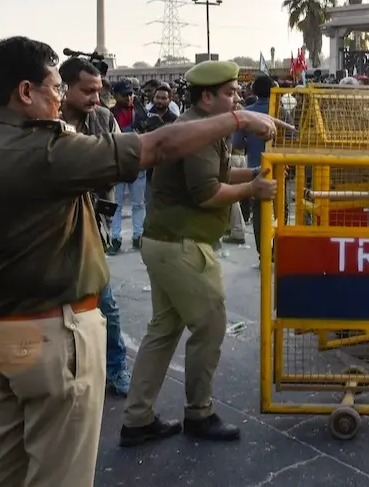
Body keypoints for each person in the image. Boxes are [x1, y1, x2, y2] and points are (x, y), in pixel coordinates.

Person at [0, 37, 286, 487]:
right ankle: (187, 410)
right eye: (56, 88)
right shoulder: (44, 151)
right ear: (25, 92)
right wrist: (238, 119)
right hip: (51, 336)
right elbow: (154, 147)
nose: (60, 99)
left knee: (8, 463)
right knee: (61, 472)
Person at [119, 60, 277, 448]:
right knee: (209, 326)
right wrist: (253, 191)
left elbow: (220, 176)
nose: (237, 99)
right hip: (182, 246)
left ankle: (138, 419)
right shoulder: (200, 134)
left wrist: (254, 175)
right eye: (230, 93)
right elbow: (208, 193)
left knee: (164, 330)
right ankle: (199, 413)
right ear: (207, 97)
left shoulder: (201, 128)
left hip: (166, 242)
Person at [59, 56, 133, 397]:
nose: (95, 98)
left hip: (93, 229)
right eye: (87, 91)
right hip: (54, 235)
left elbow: (121, 161)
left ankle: (116, 371)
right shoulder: (46, 121)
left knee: (107, 307)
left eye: (98, 90)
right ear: (65, 88)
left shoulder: (104, 119)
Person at [233, 75, 274, 259]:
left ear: (253, 91)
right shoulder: (281, 112)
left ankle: (263, 252)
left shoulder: (246, 115)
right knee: (281, 211)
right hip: (281, 168)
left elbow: (238, 144)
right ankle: (278, 248)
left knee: (260, 210)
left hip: (257, 169)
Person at [109, 79, 148, 253]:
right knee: (114, 204)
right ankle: (115, 238)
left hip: (137, 163)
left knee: (138, 203)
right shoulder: (109, 114)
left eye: (131, 94)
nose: (129, 97)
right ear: (115, 96)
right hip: (116, 163)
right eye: (125, 95)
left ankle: (138, 236)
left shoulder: (141, 113)